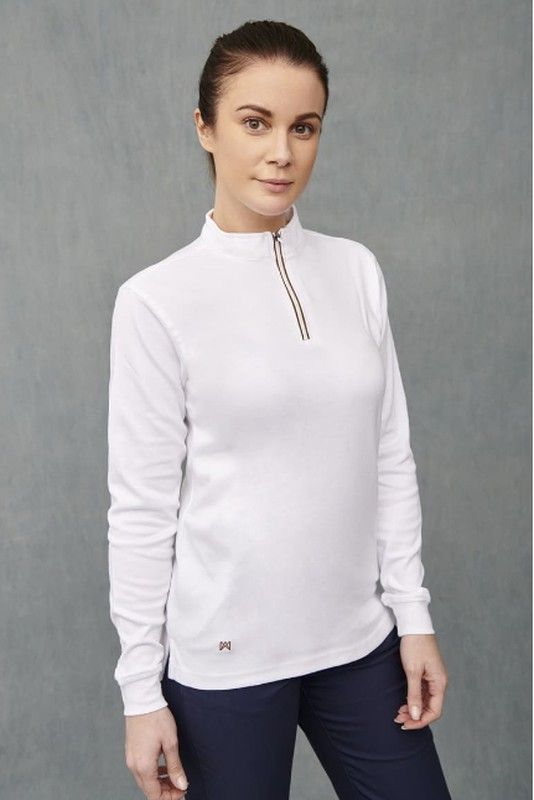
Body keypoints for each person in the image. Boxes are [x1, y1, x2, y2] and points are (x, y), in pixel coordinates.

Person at [106, 19, 453, 800]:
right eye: (255, 123)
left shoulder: (356, 270)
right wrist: (140, 691)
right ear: (205, 128)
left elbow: (388, 454)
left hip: (360, 645)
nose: (282, 153)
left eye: (304, 127)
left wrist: (413, 615)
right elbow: (141, 509)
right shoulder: (157, 301)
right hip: (226, 664)